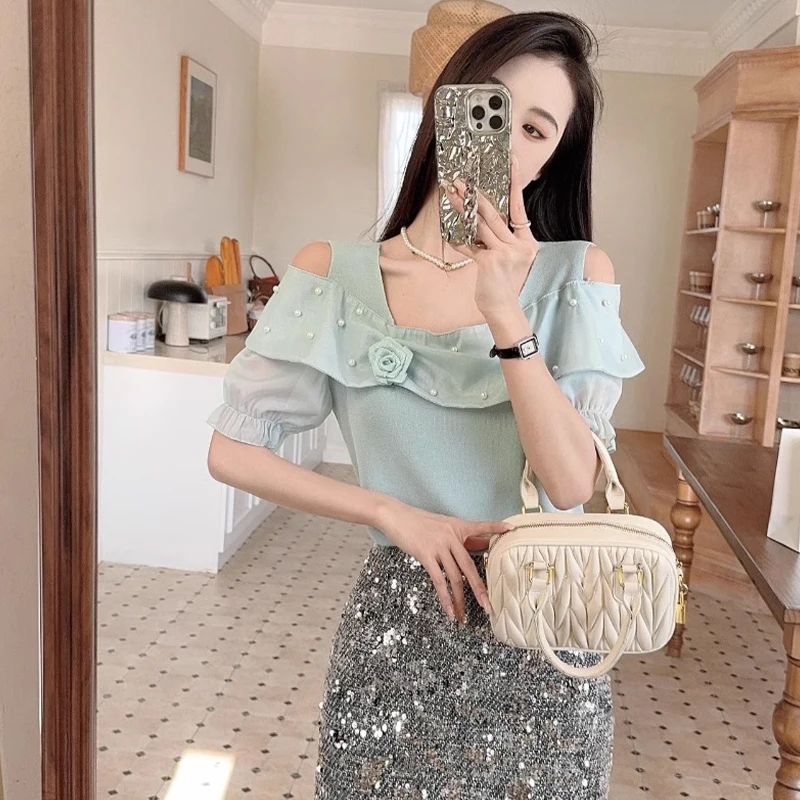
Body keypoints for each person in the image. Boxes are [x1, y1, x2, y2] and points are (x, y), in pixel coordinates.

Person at [206, 10, 645, 799]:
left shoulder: (580, 275)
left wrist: (505, 313)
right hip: (394, 636)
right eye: (492, 107)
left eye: (536, 129)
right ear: (449, 104)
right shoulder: (332, 273)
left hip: (544, 641)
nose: (507, 141)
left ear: (553, 158)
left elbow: (570, 483)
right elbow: (231, 451)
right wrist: (387, 511)